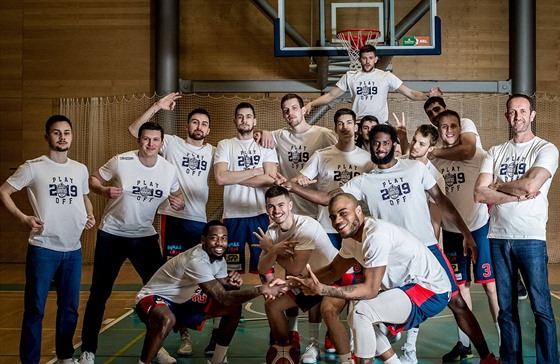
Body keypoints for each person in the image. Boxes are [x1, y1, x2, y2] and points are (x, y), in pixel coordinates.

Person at [273, 124, 499, 364]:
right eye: (375, 143)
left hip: (425, 249)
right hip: (389, 254)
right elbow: (331, 199)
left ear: (394, 145)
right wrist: (293, 187)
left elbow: (441, 201)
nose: (380, 148)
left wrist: (467, 233)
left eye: (385, 143)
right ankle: (395, 355)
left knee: (457, 303)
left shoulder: (415, 168)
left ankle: (486, 356)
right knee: (365, 309)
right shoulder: (364, 181)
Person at [285, 193, 451, 364]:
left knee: (361, 311)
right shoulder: (352, 239)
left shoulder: (375, 236)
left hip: (430, 291)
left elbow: (370, 290)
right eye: (333, 217)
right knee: (355, 315)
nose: (337, 221)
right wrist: (289, 283)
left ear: (358, 211)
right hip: (409, 289)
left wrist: (323, 289)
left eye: (343, 213)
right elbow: (334, 270)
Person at [79, 122, 184, 364]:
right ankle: (88, 350)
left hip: (145, 237)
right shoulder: (121, 161)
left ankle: (156, 348)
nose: (150, 144)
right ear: (139, 140)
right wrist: (104, 191)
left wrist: (178, 203)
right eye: (146, 139)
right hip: (112, 235)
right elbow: (93, 179)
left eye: (155, 140)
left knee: (158, 294)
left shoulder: (168, 169)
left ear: (161, 143)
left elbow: (177, 195)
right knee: (99, 294)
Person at [0, 115, 95, 364]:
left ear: (72, 136)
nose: (62, 137)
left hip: (73, 250)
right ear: (47, 137)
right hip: (43, 248)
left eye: (66, 132)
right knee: (35, 310)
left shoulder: (80, 168)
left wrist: (90, 213)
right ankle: (29, 361)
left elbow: (84, 196)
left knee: (70, 309)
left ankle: (65, 356)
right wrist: (22, 218)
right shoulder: (34, 167)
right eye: (56, 132)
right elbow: (4, 191)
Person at [128, 93, 216, 357]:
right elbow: (135, 130)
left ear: (208, 129)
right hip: (172, 219)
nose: (199, 126)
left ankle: (201, 329)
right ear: (187, 125)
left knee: (198, 278)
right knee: (174, 278)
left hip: (198, 221)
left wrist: (260, 135)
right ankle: (182, 335)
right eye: (194, 122)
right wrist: (157, 106)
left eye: (203, 124)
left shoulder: (213, 150)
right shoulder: (173, 143)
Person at [474, 94, 559, 363]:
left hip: (530, 239)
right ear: (506, 116)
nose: (517, 116)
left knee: (541, 309)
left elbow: (531, 186)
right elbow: (479, 193)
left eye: (523, 111)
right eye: (512, 112)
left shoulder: (546, 149)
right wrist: (515, 193)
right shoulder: (495, 152)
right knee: (506, 311)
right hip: (498, 237)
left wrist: (498, 186)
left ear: (532, 115)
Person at [135, 220, 288, 364]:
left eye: (224, 238)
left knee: (233, 308)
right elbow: (223, 297)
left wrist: (232, 282)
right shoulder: (196, 261)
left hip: (181, 303)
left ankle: (218, 360)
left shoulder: (219, 260)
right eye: (214, 238)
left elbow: (224, 289)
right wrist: (261, 289)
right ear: (203, 240)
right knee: (166, 319)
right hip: (153, 298)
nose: (219, 243)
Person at [431, 110, 500, 360]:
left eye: (453, 126)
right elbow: (435, 203)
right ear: (438, 131)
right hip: (451, 233)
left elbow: (496, 188)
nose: (448, 131)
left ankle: (504, 341)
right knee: (460, 290)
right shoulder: (435, 163)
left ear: (461, 129)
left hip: (479, 228)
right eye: (443, 127)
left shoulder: (481, 157)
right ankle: (465, 345)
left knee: (491, 288)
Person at [255, 186, 338, 363]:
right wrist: (273, 250)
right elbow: (262, 267)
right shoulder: (272, 231)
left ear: (290, 205)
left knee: (311, 289)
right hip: (307, 278)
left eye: (281, 205)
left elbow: (295, 267)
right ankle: (285, 347)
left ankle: (314, 344)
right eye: (271, 206)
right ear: (266, 208)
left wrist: (271, 248)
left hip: (334, 278)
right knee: (273, 305)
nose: (276, 211)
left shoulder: (305, 226)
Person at [213, 102, 278, 274]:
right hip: (233, 215)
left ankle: (271, 301)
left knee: (265, 270)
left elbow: (271, 179)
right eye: (240, 117)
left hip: (260, 214)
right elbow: (220, 177)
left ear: (255, 121)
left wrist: (232, 176)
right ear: (235, 121)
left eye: (248, 116)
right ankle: (233, 302)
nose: (244, 120)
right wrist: (256, 171)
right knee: (231, 270)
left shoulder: (265, 145)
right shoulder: (225, 145)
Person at [304, 44, 442, 123]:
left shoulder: (385, 76)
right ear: (359, 60)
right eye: (364, 58)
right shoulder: (350, 76)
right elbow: (330, 96)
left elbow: (410, 93)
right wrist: (311, 103)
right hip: (358, 123)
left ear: (376, 59)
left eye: (370, 58)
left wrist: (427, 96)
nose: (367, 61)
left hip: (380, 123)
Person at [258, 93, 337, 217]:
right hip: (292, 209)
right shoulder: (280, 135)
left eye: (294, 108)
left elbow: (338, 160)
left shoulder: (323, 134)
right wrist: (263, 132)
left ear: (304, 110)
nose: (290, 112)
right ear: (284, 115)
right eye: (286, 110)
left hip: (319, 207)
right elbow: (254, 135)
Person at [423, 96, 482, 161]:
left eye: (437, 109)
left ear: (446, 108)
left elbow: (467, 152)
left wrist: (435, 152)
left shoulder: (464, 122)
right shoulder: (434, 135)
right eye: (430, 113)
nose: (434, 114)